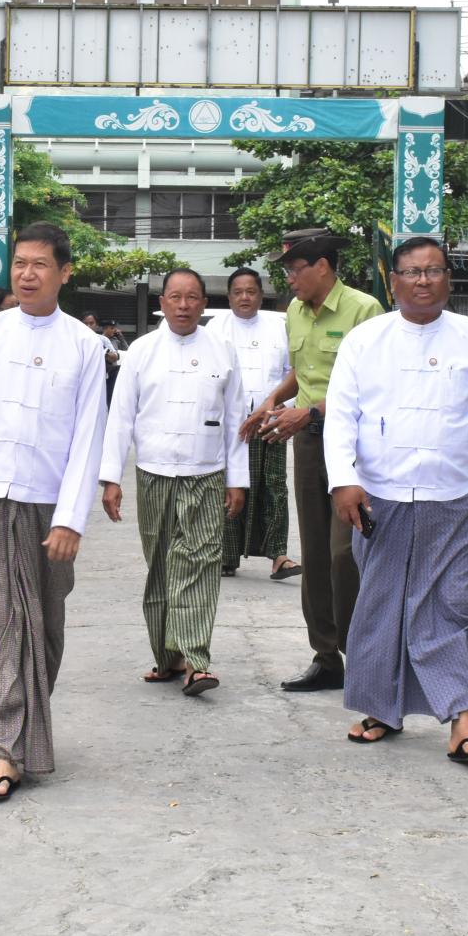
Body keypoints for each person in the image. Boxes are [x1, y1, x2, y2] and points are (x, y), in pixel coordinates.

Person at [326, 238, 468, 762]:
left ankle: (463, 721)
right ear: (393, 282)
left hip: (451, 497)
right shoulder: (367, 340)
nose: (423, 280)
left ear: (449, 278)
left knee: (452, 605)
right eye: (412, 272)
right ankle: (381, 709)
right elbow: (341, 415)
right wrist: (344, 480)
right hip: (379, 495)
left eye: (434, 270)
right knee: (381, 605)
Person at [0, 222, 107, 803]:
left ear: (64, 273)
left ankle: (26, 723)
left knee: (46, 624)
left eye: (40, 265)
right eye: (19, 264)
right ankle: (6, 749)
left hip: (48, 503)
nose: (27, 274)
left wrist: (70, 519)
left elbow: (89, 437)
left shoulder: (85, 346)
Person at [240, 228, 384, 692]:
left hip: (355, 447)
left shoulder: (364, 310)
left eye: (294, 269)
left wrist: (311, 411)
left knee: (346, 553)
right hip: (308, 444)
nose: (288, 279)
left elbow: (372, 387)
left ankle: (360, 651)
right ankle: (326, 658)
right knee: (317, 552)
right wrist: (274, 399)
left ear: (322, 266)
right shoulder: (295, 313)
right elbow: (301, 372)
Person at [100, 268, 248, 695]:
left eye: (192, 297)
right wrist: (111, 478)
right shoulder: (141, 351)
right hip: (154, 473)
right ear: (162, 303)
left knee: (200, 561)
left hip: (206, 473)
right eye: (175, 297)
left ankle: (197, 660)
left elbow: (235, 419)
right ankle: (168, 658)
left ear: (203, 303)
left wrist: (237, 480)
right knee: (162, 565)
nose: (184, 306)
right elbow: (120, 417)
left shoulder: (222, 350)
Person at [208, 267, 299, 581]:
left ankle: (278, 556)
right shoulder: (216, 328)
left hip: (271, 422)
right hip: (230, 424)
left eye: (251, 291)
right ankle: (226, 556)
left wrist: (282, 408)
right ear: (229, 296)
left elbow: (292, 372)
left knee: (274, 487)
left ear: (261, 295)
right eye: (238, 292)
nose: (244, 297)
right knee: (231, 485)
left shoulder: (279, 327)